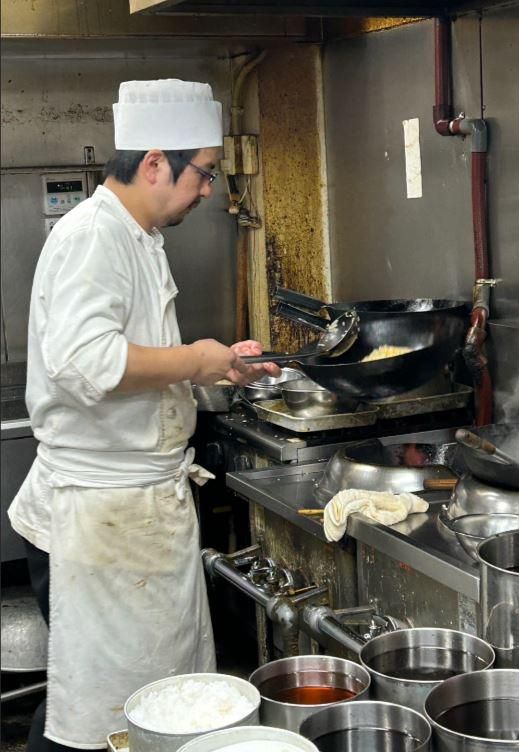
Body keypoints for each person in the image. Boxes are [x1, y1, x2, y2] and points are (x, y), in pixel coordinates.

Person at [8, 79, 279, 751]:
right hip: (100, 518)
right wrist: (194, 358)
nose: (209, 189)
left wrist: (218, 364)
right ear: (155, 162)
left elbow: (136, 354)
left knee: (149, 709)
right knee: (99, 717)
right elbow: (84, 362)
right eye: (204, 173)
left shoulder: (138, 236)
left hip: (134, 512)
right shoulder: (93, 235)